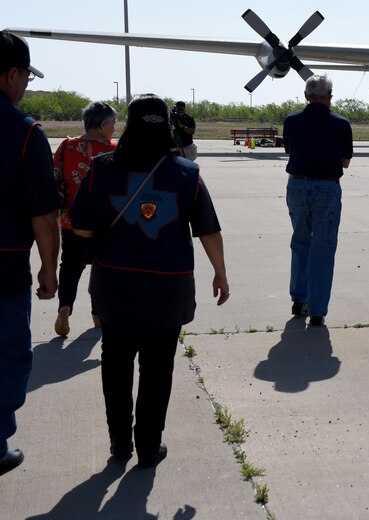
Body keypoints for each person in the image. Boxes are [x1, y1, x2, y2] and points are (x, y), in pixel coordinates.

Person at [70, 93, 229, 467]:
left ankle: (119, 445)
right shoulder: (187, 173)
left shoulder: (102, 168)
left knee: (115, 364)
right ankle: (148, 447)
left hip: (115, 285)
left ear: (127, 125)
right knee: (158, 369)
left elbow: (79, 225)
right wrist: (220, 272)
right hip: (166, 288)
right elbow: (208, 229)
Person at [0, 30, 60, 476]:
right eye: (24, 77)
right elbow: (43, 212)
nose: (25, 86)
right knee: (10, 356)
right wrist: (49, 268)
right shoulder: (25, 133)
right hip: (2, 272)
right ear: (11, 75)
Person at [282, 75, 353, 327]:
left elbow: (289, 150)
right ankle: (318, 310)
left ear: (305, 95)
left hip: (297, 184)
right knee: (323, 247)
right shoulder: (341, 123)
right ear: (330, 95)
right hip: (326, 187)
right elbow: (345, 160)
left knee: (300, 241)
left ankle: (298, 299)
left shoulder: (291, 120)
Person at [53, 101, 117, 336]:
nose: (114, 128)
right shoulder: (113, 151)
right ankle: (98, 313)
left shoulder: (67, 146)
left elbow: (55, 177)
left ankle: (65, 308)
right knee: (101, 268)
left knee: (70, 266)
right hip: (104, 224)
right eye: (112, 124)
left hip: (71, 221)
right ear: (102, 125)